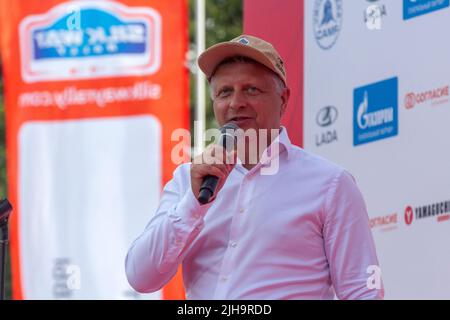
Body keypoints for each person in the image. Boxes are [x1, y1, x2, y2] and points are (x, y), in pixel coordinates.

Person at [125, 35, 384, 300]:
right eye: (225, 92)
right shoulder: (188, 181)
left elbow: (362, 291)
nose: (236, 103)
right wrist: (194, 203)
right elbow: (141, 277)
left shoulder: (331, 184)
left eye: (251, 90)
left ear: (283, 99)